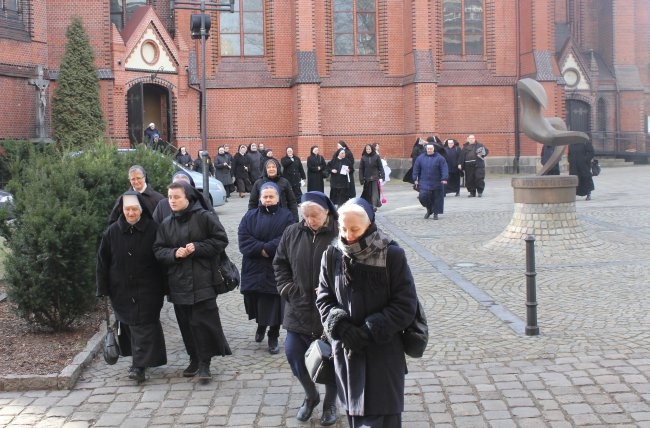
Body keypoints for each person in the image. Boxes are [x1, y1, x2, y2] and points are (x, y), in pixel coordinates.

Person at [316, 198, 418, 428]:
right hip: (347, 352)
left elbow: (405, 304)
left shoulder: (391, 254)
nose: (348, 235)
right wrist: (341, 327)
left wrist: (371, 329)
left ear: (369, 224)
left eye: (355, 229)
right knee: (356, 417)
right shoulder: (332, 255)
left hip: (383, 352)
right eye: (343, 228)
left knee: (384, 419)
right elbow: (323, 299)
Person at [153, 182, 232, 384]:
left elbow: (221, 240)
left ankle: (205, 363)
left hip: (203, 279)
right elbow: (158, 250)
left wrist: (197, 247)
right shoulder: (166, 224)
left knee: (203, 322)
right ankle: (194, 358)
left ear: (187, 198)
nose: (172, 200)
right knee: (186, 324)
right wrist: (173, 253)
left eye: (176, 197)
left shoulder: (204, 217)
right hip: (178, 282)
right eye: (170, 197)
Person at [273, 192, 339, 426]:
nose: (310, 220)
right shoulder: (292, 232)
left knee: (332, 358)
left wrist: (333, 292)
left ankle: (331, 403)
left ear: (327, 212)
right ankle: (311, 396)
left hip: (330, 310)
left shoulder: (339, 233)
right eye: (306, 216)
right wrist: (288, 288)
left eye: (315, 215)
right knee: (293, 353)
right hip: (297, 306)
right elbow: (279, 263)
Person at [96, 191, 167, 383]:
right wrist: (101, 288)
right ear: (121, 210)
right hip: (121, 289)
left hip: (149, 289)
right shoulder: (112, 232)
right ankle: (141, 361)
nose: (130, 213)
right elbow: (103, 261)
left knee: (144, 324)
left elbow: (163, 260)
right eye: (127, 209)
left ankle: (138, 366)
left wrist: (167, 286)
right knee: (128, 324)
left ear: (141, 210)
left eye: (134, 209)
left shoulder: (153, 229)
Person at [238, 182, 295, 354]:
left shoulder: (286, 216)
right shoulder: (250, 216)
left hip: (276, 267)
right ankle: (261, 325)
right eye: (265, 197)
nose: (268, 200)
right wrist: (260, 249)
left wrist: (267, 249)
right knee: (257, 300)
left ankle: (273, 334)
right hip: (254, 267)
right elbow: (243, 239)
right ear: (260, 198)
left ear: (278, 198)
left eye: (271, 196)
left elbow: (287, 238)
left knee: (275, 303)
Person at [413, 143, 449, 220]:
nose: (429, 150)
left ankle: (435, 213)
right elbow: (416, 168)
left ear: (433, 149)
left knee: (436, 198)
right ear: (426, 149)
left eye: (431, 149)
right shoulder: (420, 158)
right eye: (428, 149)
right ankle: (429, 209)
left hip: (437, 181)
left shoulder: (440, 158)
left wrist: (444, 178)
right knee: (422, 197)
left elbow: (444, 169)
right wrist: (415, 178)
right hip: (424, 181)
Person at [359, 144, 385, 211]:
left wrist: (382, 176)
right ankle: (368, 204)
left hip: (375, 177)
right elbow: (361, 169)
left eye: (369, 149)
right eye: (367, 149)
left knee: (374, 192)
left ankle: (374, 206)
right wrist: (361, 178)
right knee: (367, 192)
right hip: (366, 178)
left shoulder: (376, 157)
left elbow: (380, 167)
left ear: (372, 149)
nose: (368, 150)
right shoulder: (363, 158)